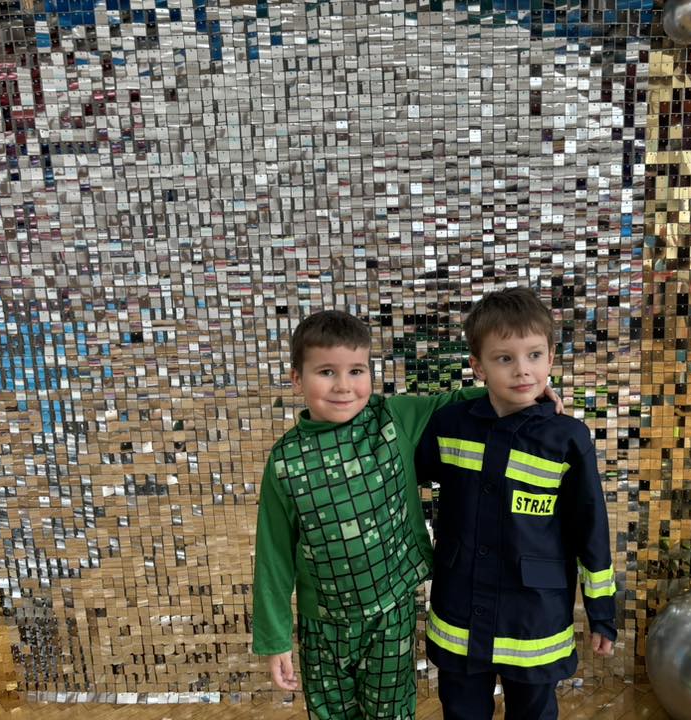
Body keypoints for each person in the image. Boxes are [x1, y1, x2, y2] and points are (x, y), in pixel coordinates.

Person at [251, 309, 559, 720]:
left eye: (356, 371)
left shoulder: (392, 418)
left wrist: (529, 391)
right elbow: (273, 555)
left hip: (392, 613)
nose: (343, 385)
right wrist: (275, 639)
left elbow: (455, 401)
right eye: (326, 372)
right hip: (322, 624)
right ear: (296, 378)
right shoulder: (285, 461)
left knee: (391, 713)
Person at [418, 287, 617, 720]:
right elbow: (402, 471)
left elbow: (590, 529)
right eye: (504, 358)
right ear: (478, 366)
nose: (523, 370)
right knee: (462, 712)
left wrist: (601, 612)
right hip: (460, 611)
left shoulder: (568, 439)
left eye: (534, 355)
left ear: (551, 358)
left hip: (534, 618)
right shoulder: (449, 425)